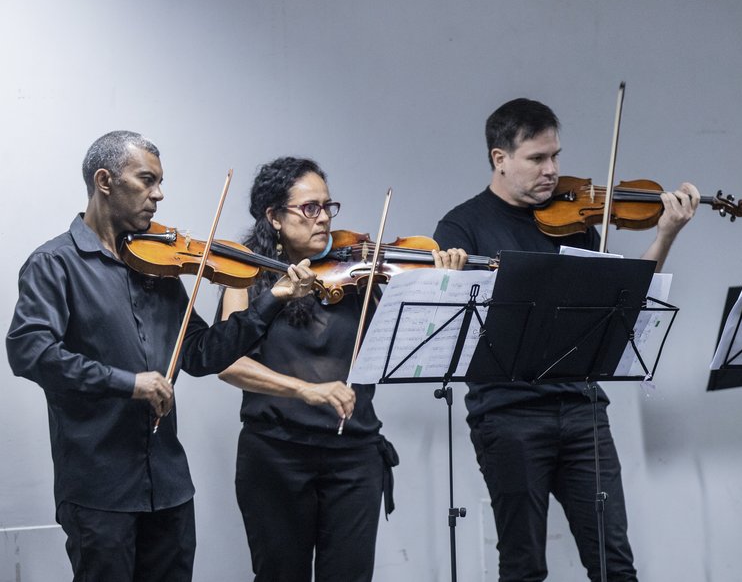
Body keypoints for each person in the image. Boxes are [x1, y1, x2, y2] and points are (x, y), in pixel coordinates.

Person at [6, 131, 316, 582]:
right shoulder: (55, 263)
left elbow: (201, 354)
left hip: (168, 486)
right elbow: (29, 351)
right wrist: (129, 383)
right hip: (99, 489)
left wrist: (273, 299)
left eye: (160, 182)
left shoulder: (159, 265)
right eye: (147, 180)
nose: (159, 194)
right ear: (104, 181)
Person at [433, 98, 699, 582]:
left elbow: (624, 301)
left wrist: (665, 235)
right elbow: (451, 328)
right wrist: (448, 279)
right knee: (523, 565)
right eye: (537, 159)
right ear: (500, 158)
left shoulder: (576, 223)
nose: (553, 170)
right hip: (507, 415)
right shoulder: (461, 227)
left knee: (614, 564)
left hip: (581, 410)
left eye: (556, 156)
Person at [217, 156, 466, 582]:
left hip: (354, 455)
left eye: (328, 207)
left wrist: (445, 287)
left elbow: (413, 345)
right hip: (276, 455)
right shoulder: (246, 275)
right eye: (309, 208)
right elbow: (227, 362)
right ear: (274, 217)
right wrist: (306, 390)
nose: (323, 219)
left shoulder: (360, 273)